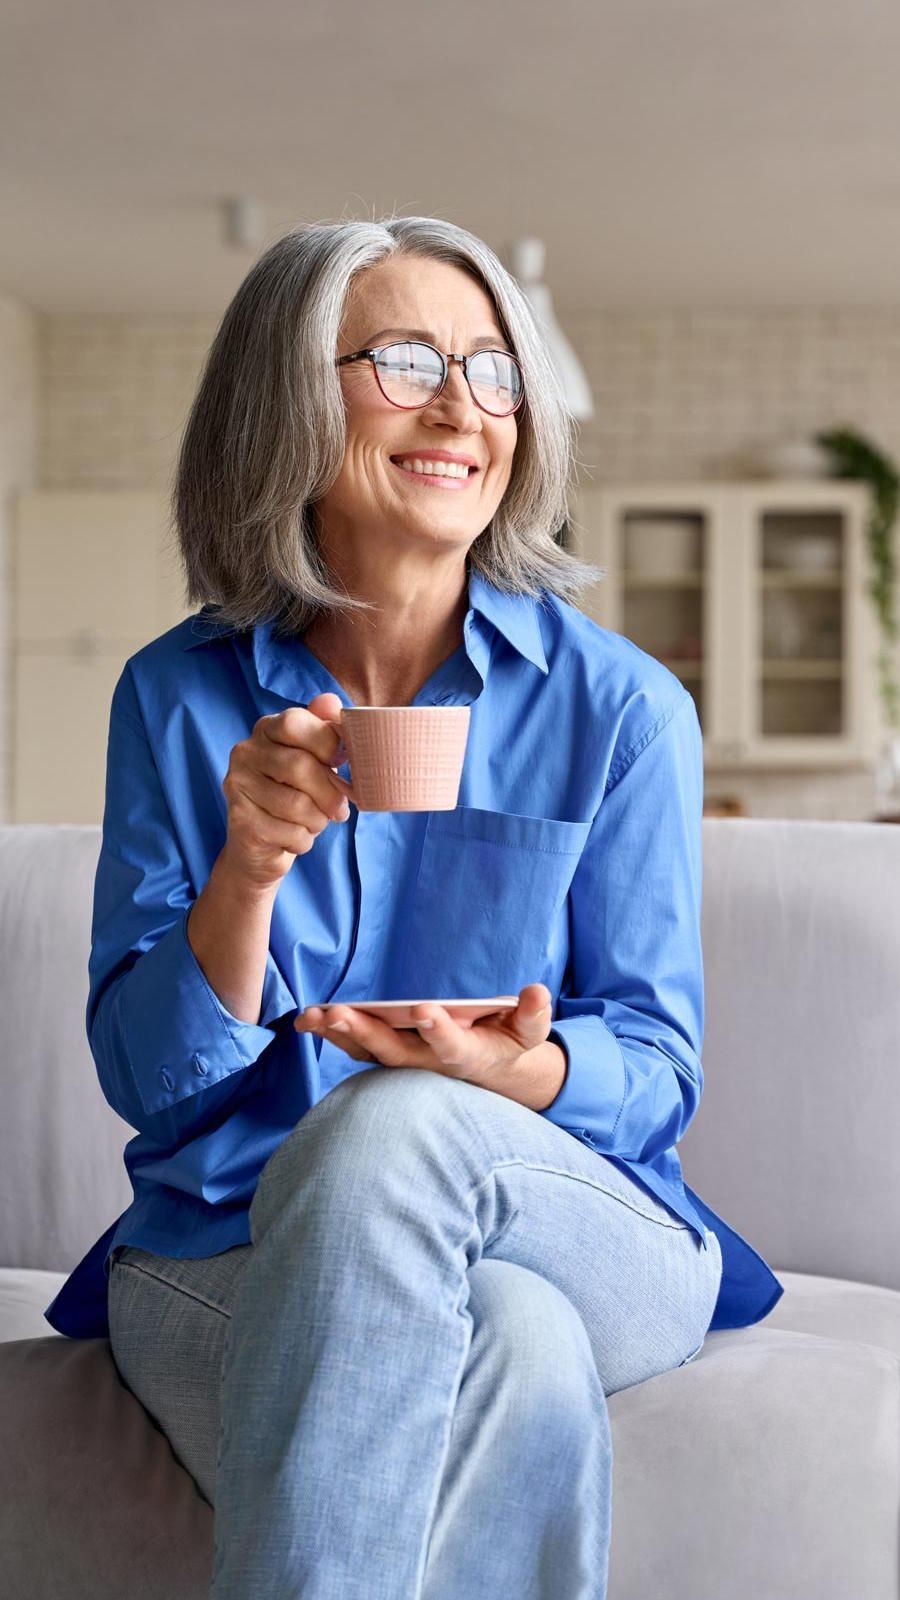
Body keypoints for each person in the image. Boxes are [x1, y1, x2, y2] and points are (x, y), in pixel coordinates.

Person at [44, 215, 783, 1599]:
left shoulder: (621, 709)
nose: (463, 405)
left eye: (495, 370)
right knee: (516, 1348)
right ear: (286, 399)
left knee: (397, 1130)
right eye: (402, 360)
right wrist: (246, 872)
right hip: (229, 1242)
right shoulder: (175, 696)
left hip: (572, 1214)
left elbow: (657, 1073)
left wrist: (526, 1072)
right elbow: (153, 1085)